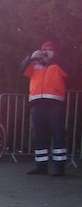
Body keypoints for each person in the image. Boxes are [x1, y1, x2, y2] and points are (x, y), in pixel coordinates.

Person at [20, 40, 69, 176]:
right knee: (39, 135)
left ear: (54, 52)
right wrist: (30, 57)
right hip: (37, 104)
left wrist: (56, 58)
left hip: (54, 104)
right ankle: (40, 165)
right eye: (45, 50)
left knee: (58, 134)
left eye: (50, 49)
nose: (47, 52)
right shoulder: (35, 65)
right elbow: (21, 69)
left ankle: (59, 167)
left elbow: (69, 71)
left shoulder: (58, 65)